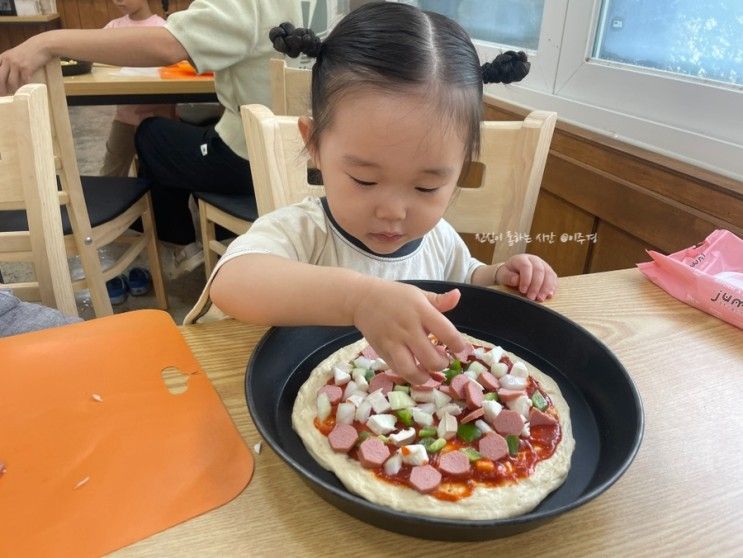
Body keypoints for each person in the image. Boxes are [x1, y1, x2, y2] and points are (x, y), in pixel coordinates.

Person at [190, 3, 557, 385]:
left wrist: (499, 275)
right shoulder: (305, 233)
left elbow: (463, 281)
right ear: (313, 144)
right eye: (364, 180)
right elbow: (231, 282)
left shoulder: (438, 239)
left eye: (426, 187)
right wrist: (358, 299)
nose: (393, 211)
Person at [0, 0, 303, 278]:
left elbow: (168, 45)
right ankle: (214, 236)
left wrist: (47, 41)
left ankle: (180, 241)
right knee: (187, 130)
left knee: (152, 134)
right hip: (304, 151)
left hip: (253, 157)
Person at [99, 0, 175, 178]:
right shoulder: (113, 28)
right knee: (110, 174)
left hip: (160, 118)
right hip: (125, 118)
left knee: (163, 176)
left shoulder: (163, 29)